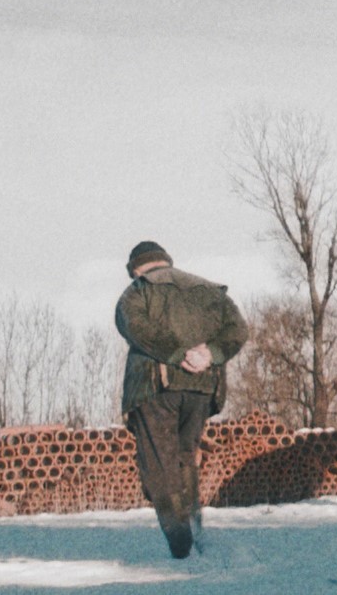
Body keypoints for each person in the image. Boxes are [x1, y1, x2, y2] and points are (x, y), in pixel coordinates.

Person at [114, 239, 248, 558]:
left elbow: (133, 325)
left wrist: (175, 353)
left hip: (155, 387)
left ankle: (180, 542)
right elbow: (237, 329)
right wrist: (209, 354)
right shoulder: (210, 290)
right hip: (201, 388)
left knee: (158, 467)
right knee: (185, 457)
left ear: (136, 267)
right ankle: (196, 530)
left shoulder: (138, 291)